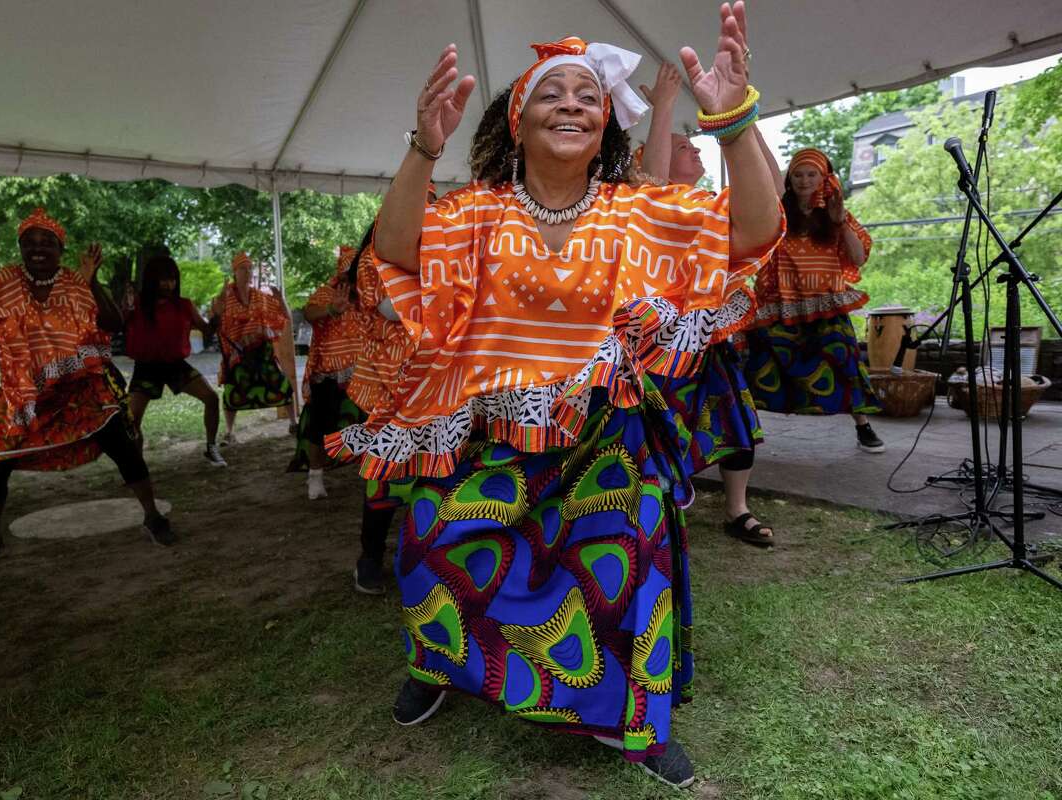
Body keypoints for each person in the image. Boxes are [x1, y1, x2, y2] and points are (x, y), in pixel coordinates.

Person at [327, 3, 783, 787]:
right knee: (434, 543)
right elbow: (397, 250)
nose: (572, 103)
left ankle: (629, 721)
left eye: (587, 94)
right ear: (518, 121)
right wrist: (423, 147)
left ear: (606, 123)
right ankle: (440, 664)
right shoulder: (476, 211)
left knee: (626, 564)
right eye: (552, 93)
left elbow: (751, 229)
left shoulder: (638, 208)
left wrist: (733, 123)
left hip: (607, 436)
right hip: (497, 438)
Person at [0, 209, 175, 565]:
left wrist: (92, 281)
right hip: (25, 395)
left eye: (47, 242)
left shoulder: (75, 281)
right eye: (30, 242)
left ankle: (152, 516)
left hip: (80, 387)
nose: (38, 249)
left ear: (60, 248)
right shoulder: (3, 281)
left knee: (123, 445)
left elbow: (114, 323)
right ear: (21, 247)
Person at [636, 59, 783, 546]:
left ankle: (737, 509)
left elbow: (774, 195)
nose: (694, 150)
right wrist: (662, 110)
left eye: (694, 144)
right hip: (659, 343)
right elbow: (654, 178)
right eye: (684, 147)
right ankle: (657, 509)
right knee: (659, 430)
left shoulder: (716, 208)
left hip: (711, 335)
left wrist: (742, 119)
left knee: (737, 421)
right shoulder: (646, 206)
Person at [742, 147, 885, 452]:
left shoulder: (836, 215)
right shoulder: (776, 212)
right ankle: (744, 428)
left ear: (824, 178)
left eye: (811, 174)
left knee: (845, 361)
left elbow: (858, 259)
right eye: (798, 174)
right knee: (760, 363)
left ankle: (863, 426)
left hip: (826, 304)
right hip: (781, 304)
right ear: (789, 180)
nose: (804, 181)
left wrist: (840, 222)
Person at [343, 223, 419, 594]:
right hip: (382, 389)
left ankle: (425, 554)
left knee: (433, 470)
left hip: (426, 383)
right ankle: (370, 558)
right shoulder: (372, 260)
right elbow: (390, 307)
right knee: (384, 477)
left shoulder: (436, 252)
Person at [124, 255, 227, 467]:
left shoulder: (184, 305)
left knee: (211, 398)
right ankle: (136, 467)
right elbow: (118, 323)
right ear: (152, 280)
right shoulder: (138, 304)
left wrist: (217, 317)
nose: (168, 285)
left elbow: (207, 331)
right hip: (146, 367)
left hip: (175, 365)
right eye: (163, 279)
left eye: (172, 279)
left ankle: (211, 446)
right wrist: (125, 308)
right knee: (131, 420)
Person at [288, 247, 364, 499]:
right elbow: (309, 313)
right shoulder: (325, 292)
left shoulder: (367, 295)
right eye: (348, 272)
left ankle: (377, 474)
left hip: (364, 374)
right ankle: (315, 476)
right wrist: (332, 309)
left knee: (375, 423)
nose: (351, 278)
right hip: (329, 373)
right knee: (320, 428)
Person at [209, 252, 296, 445]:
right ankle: (230, 432)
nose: (247, 272)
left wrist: (281, 299)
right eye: (243, 269)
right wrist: (220, 300)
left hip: (261, 352)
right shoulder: (226, 296)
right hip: (237, 355)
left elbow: (286, 316)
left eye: (249, 268)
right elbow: (214, 320)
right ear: (234, 272)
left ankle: (293, 423)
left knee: (282, 384)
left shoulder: (260, 297)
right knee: (233, 391)